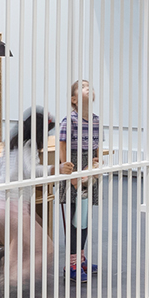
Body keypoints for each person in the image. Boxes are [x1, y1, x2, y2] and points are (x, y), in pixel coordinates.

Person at [0, 109, 54, 292]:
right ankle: (13, 280)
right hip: (14, 208)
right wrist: (54, 169)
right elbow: (31, 170)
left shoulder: (11, 145)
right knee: (46, 249)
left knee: (18, 244)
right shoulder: (29, 146)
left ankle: (10, 276)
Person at [59, 78, 101, 279]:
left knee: (84, 219)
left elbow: (97, 146)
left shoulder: (96, 120)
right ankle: (71, 264)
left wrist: (96, 161)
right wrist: (68, 170)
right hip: (75, 168)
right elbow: (63, 145)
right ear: (74, 99)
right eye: (83, 87)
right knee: (75, 220)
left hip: (89, 170)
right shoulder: (70, 120)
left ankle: (80, 259)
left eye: (89, 86)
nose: (88, 88)